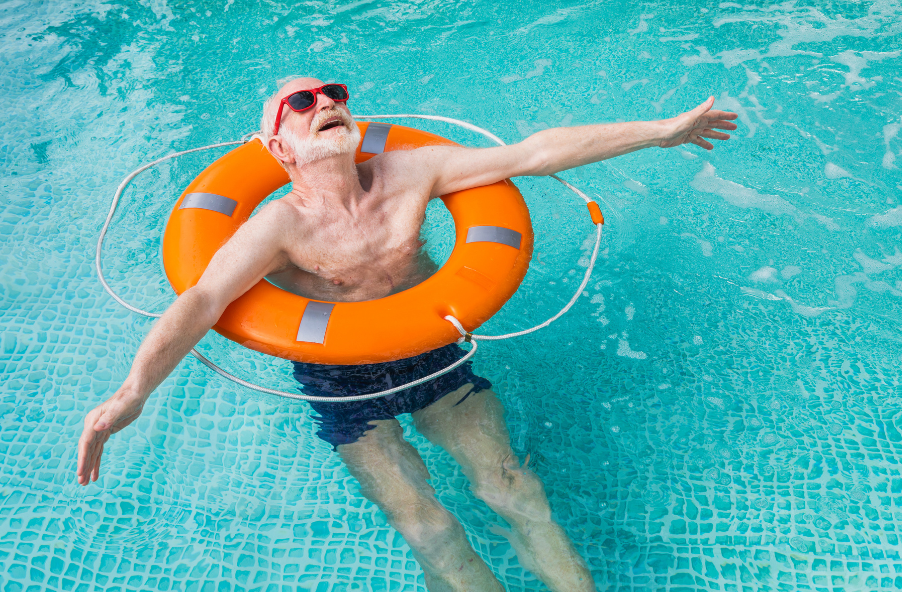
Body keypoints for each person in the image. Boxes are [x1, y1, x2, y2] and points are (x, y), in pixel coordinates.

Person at [77, 77, 737, 591]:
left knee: (512, 484)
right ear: (279, 149)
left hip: (433, 358)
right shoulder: (278, 229)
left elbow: (532, 153)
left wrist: (662, 131)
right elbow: (202, 300)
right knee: (429, 528)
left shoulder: (410, 172)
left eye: (333, 93)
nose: (325, 103)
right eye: (301, 103)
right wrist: (133, 392)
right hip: (342, 387)